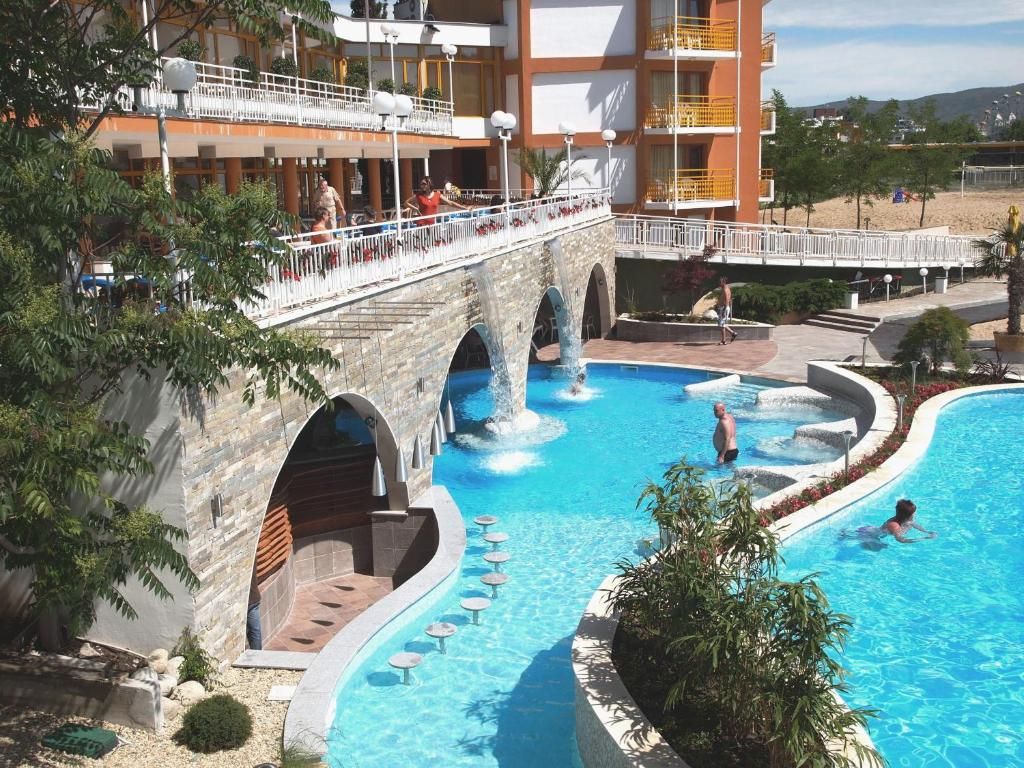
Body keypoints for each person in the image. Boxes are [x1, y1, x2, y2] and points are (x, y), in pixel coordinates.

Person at [405, 177, 469, 226]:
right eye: (421, 184)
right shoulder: (418, 195)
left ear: (429, 184)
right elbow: (406, 203)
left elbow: (451, 203)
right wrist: (416, 209)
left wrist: (465, 208)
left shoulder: (437, 195)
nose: (422, 186)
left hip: (433, 224)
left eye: (424, 184)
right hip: (421, 225)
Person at [717, 276, 738, 345]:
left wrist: (724, 309)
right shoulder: (727, 288)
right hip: (724, 308)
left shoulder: (725, 289)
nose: (719, 283)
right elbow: (729, 299)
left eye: (720, 282)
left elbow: (726, 299)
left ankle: (723, 340)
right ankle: (733, 333)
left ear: (723, 282)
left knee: (722, 325)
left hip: (723, 308)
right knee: (722, 324)